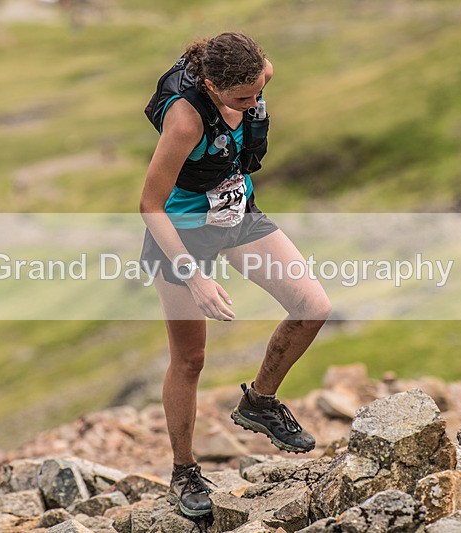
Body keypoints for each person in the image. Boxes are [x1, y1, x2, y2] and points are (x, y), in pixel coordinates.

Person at [139, 32, 332, 518]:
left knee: (313, 307)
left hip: (238, 214)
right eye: (240, 99)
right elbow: (149, 205)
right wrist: (194, 277)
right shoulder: (185, 121)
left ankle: (260, 402)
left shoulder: (259, 74)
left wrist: (254, 92)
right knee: (190, 360)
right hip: (182, 234)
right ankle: (183, 472)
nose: (252, 104)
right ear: (209, 85)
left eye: (257, 95)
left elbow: (257, 79)